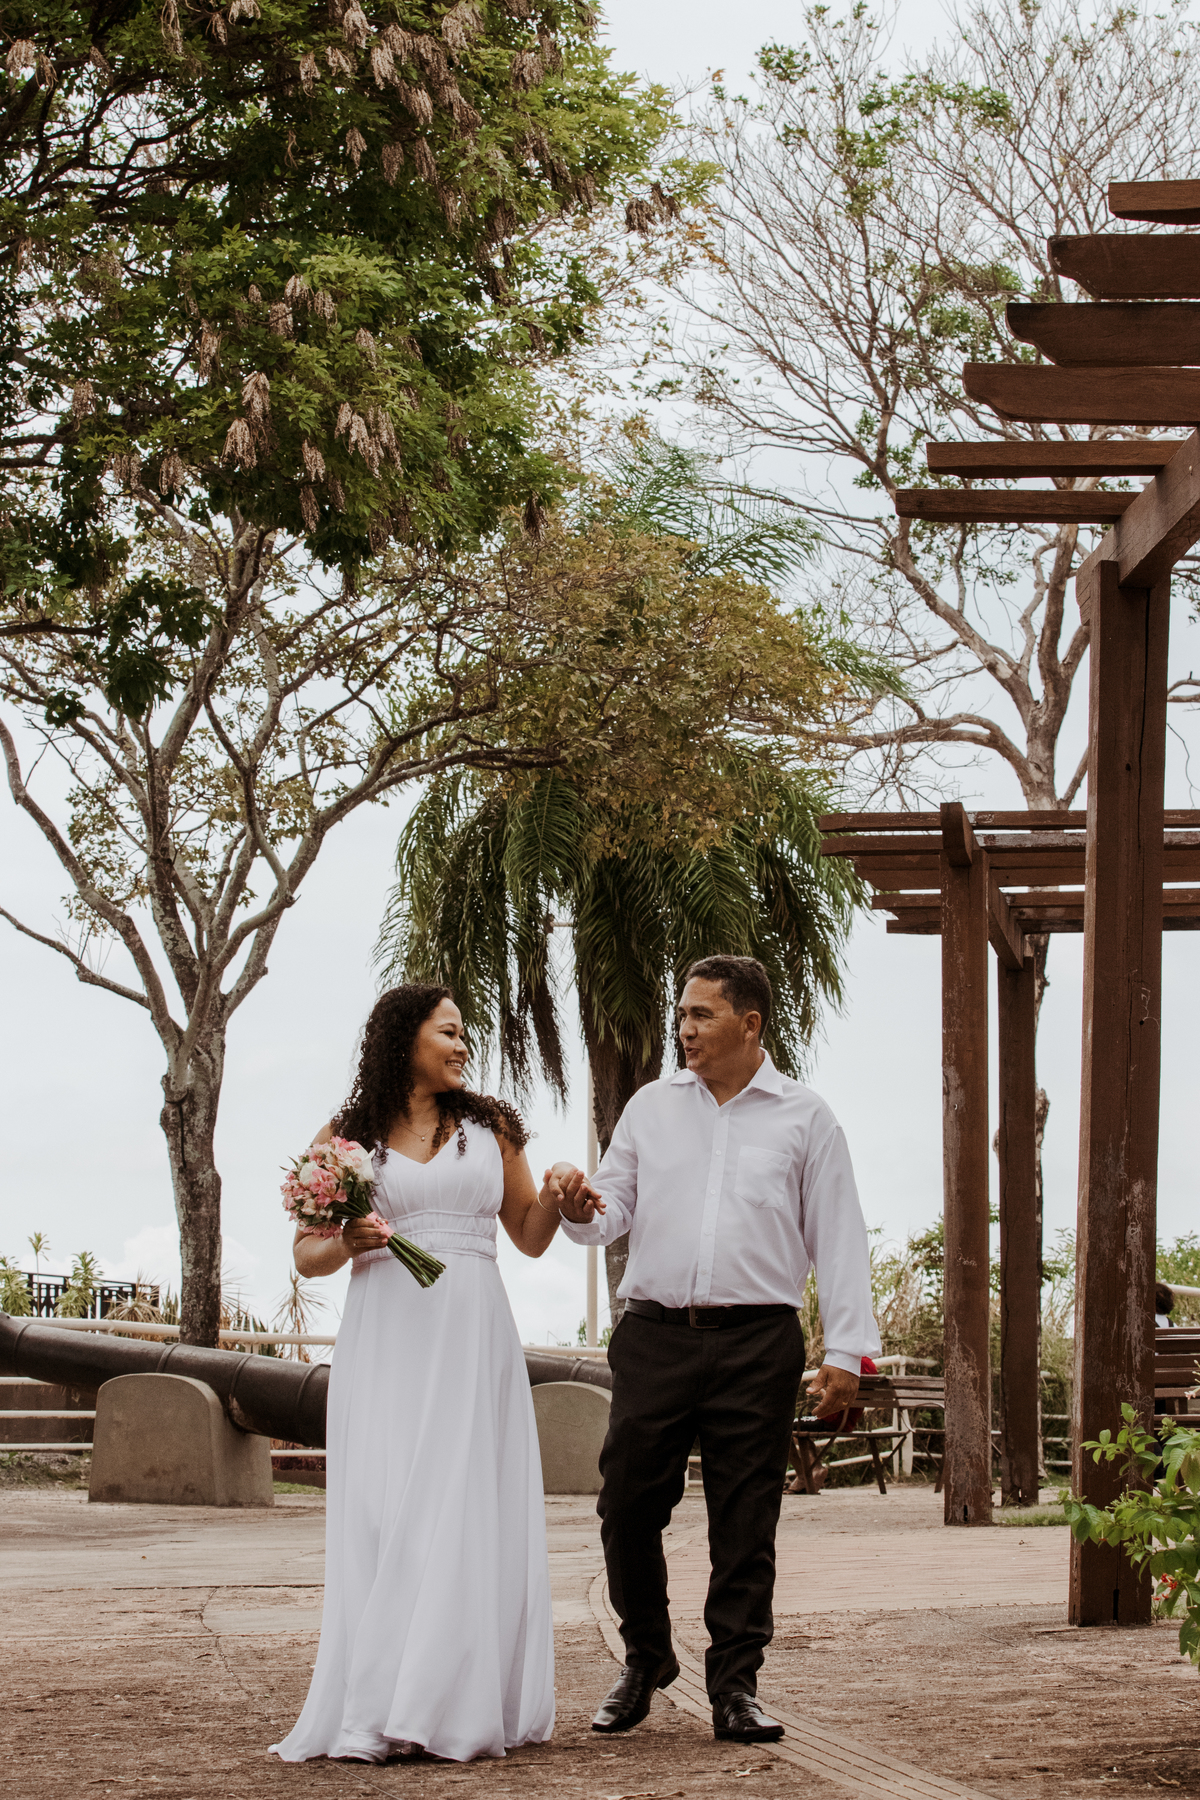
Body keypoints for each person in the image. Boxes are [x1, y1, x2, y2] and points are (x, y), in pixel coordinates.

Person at [548, 955, 880, 1747]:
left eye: (700, 1014)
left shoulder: (807, 1118)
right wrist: (579, 1206)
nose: (684, 1027)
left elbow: (839, 1240)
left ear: (749, 1022)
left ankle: (735, 1685)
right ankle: (646, 1656)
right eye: (683, 1013)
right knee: (627, 1503)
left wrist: (847, 1355)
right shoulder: (650, 1109)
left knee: (746, 1517)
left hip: (758, 1343)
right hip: (654, 1335)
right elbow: (609, 1213)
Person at [270, 984, 592, 1765]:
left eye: (463, 1032)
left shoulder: (491, 1127)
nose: (461, 1044)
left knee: (458, 1508)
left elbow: (529, 1235)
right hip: (386, 1337)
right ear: (402, 1038)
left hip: (472, 1335)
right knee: (387, 1510)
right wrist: (349, 1240)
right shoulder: (347, 1137)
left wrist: (558, 1195)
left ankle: (442, 1707)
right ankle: (375, 1705)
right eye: (448, 1030)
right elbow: (306, 1253)